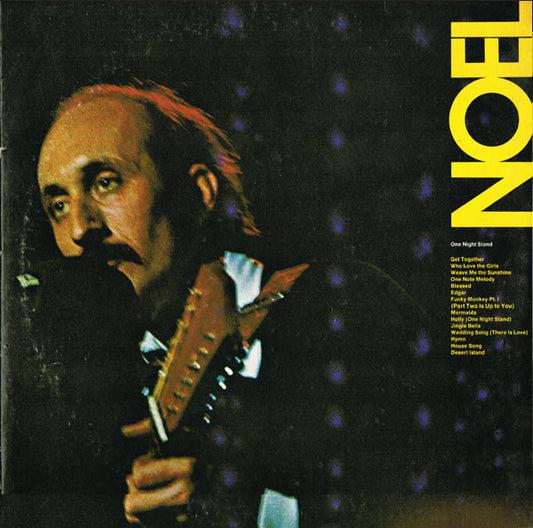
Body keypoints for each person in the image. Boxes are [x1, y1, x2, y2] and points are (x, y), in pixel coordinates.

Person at [4, 82, 427, 528]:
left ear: (198, 194)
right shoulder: (97, 384)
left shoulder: (344, 304)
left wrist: (243, 490)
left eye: (105, 182)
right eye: (58, 205)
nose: (78, 229)